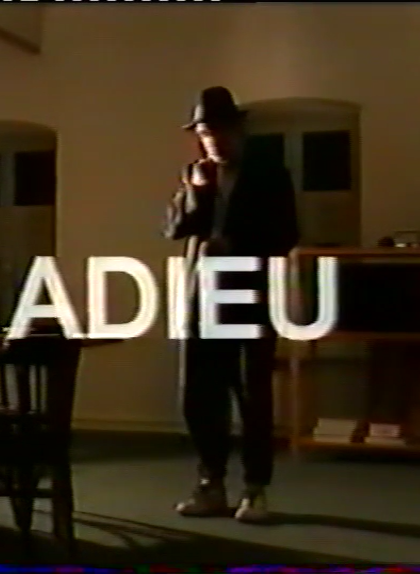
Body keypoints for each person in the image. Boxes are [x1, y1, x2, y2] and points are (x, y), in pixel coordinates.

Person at [163, 86, 299, 523]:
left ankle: (255, 489)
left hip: (249, 297)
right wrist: (197, 192)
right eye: (206, 133)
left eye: (220, 131)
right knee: (199, 396)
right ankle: (211, 483)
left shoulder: (269, 174)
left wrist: (236, 244)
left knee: (252, 396)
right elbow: (174, 228)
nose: (214, 140)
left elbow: (286, 235)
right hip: (201, 297)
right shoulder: (195, 174)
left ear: (239, 130)